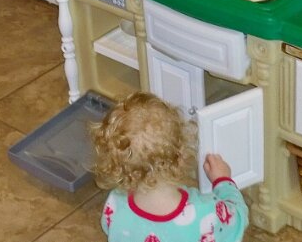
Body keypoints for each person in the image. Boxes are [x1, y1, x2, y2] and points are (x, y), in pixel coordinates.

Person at [89, 91, 249, 242]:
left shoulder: (115, 204)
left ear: (118, 166)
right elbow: (239, 217)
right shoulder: (204, 214)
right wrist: (223, 181)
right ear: (181, 156)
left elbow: (109, 228)